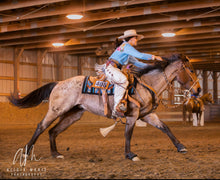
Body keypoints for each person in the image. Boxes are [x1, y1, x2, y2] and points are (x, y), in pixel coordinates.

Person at [104, 29, 163, 118]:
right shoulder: (126, 46)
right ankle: (117, 108)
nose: (136, 40)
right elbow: (140, 55)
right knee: (123, 80)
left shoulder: (126, 51)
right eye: (135, 38)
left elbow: (138, 63)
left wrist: (152, 67)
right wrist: (154, 57)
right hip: (111, 68)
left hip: (113, 68)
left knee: (124, 80)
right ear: (131, 39)